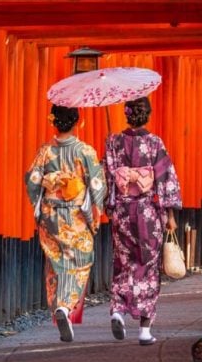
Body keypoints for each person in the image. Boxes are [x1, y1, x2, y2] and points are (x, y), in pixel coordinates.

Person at [104, 96, 182, 345]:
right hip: (148, 213)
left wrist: (110, 206)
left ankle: (118, 309)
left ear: (127, 114)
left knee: (123, 262)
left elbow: (107, 177)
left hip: (123, 213)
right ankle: (145, 330)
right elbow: (167, 180)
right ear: (146, 115)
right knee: (147, 267)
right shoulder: (154, 143)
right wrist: (170, 215)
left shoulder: (113, 142)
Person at [25, 104, 107, 343]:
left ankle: (59, 309)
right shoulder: (85, 152)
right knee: (81, 261)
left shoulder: (45, 152)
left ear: (54, 122)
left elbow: (32, 180)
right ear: (78, 122)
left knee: (56, 260)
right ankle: (65, 306)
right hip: (76, 216)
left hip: (51, 215)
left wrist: (43, 201)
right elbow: (97, 186)